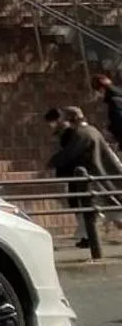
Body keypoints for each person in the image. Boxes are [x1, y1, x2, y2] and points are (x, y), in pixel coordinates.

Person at [42, 107, 122, 247]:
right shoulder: (92, 130)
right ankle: (89, 238)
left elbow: (69, 153)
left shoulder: (82, 134)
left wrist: (51, 163)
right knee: (105, 208)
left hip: (90, 176)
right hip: (95, 176)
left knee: (93, 207)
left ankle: (90, 240)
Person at [93, 73, 122, 149]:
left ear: (102, 89)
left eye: (97, 90)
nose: (98, 94)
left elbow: (119, 122)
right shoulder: (118, 97)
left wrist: (111, 130)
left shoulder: (114, 101)